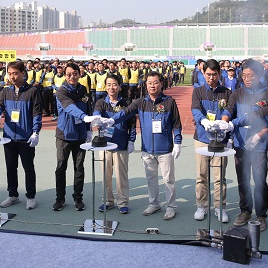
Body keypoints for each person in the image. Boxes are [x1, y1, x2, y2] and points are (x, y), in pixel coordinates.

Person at [112, 71, 183, 221]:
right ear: (146, 84)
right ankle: (154, 203)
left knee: (168, 180)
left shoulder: (169, 102)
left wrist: (177, 142)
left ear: (161, 83)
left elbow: (176, 123)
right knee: (151, 179)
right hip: (147, 150)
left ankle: (171, 207)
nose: (152, 85)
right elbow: (125, 112)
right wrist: (111, 121)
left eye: (155, 82)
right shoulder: (140, 102)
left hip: (165, 150)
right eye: (149, 83)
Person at [0, 60, 42, 210]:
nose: (12, 76)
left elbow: (37, 114)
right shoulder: (5, 91)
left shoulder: (33, 91)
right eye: (9, 74)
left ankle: (30, 196)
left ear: (23, 73)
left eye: (15, 73)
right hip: (9, 137)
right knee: (11, 167)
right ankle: (13, 195)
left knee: (28, 168)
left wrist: (35, 132)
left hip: (26, 138)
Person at [230, 59, 268, 232]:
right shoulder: (237, 93)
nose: (247, 78)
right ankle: (245, 211)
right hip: (241, 144)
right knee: (243, 180)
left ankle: (261, 215)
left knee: (259, 181)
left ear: (260, 75)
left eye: (251, 75)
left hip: (259, 145)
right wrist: (225, 124)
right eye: (244, 75)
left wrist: (260, 134)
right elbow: (229, 111)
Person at [191, 59, 233, 223]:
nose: (211, 78)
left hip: (220, 141)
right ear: (203, 73)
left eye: (214, 74)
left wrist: (228, 136)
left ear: (219, 74)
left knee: (219, 177)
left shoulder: (227, 93)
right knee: (201, 175)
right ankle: (201, 206)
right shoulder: (198, 91)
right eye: (208, 74)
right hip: (202, 139)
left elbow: (230, 112)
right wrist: (204, 121)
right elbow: (195, 109)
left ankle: (219, 207)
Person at [53, 62, 94, 211]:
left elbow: (88, 108)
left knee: (79, 168)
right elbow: (70, 107)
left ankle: (78, 197)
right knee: (61, 167)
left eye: (74, 73)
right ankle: (60, 198)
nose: (72, 76)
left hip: (80, 136)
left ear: (79, 74)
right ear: (65, 75)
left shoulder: (83, 89)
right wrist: (83, 117)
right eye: (68, 74)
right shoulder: (61, 91)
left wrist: (88, 129)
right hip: (64, 135)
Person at [93, 73, 137, 214]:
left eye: (114, 84)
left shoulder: (126, 103)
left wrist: (131, 140)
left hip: (120, 143)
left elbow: (132, 123)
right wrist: (96, 118)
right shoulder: (101, 102)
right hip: (104, 144)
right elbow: (96, 113)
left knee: (121, 175)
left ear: (119, 86)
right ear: (105, 87)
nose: (111, 87)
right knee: (106, 175)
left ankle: (123, 202)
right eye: (109, 84)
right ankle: (108, 201)